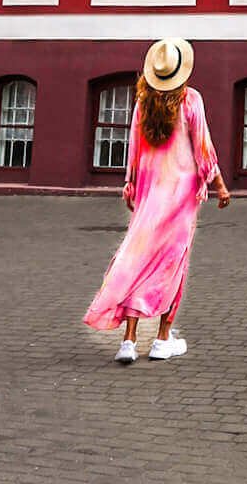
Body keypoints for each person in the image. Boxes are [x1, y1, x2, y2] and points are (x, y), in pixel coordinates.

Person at [84, 37, 231, 364]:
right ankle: (163, 339)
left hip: (149, 198)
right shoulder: (191, 100)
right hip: (180, 200)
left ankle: (129, 341)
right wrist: (220, 186)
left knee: (138, 263)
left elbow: (133, 151)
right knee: (171, 266)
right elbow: (203, 150)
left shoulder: (142, 103)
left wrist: (130, 186)